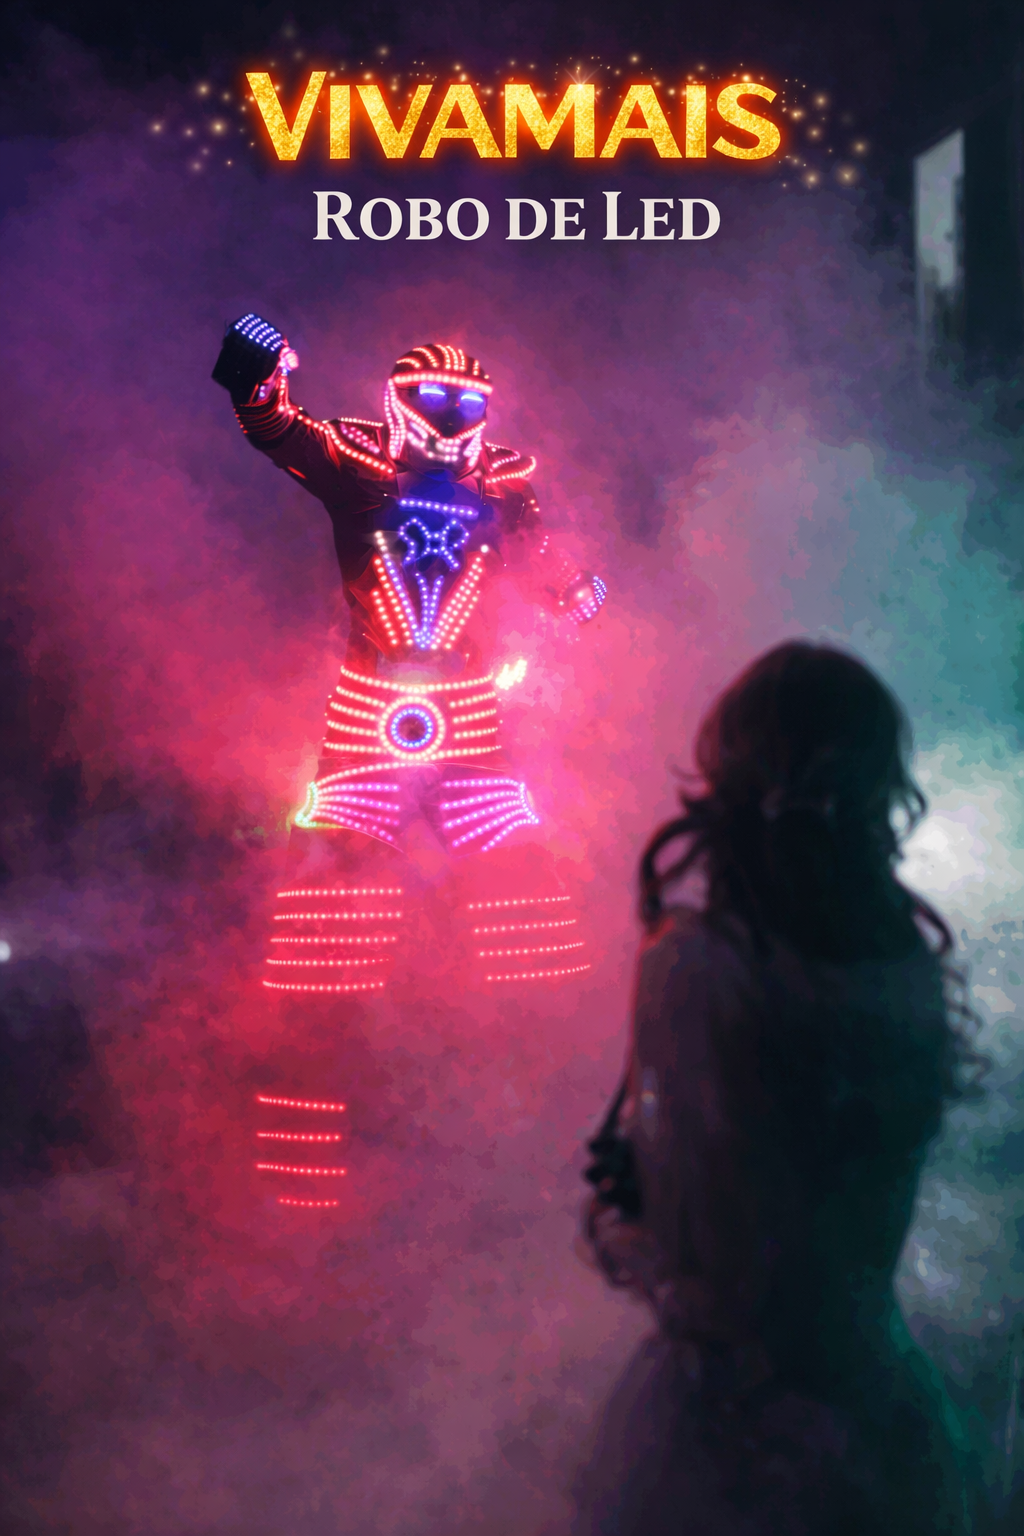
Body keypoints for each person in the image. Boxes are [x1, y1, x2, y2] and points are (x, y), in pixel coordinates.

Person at [576, 640, 981, 1535]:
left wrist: (624, 1200)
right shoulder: (906, 968)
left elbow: (697, 1259)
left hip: (727, 1435)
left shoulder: (699, 966)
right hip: (877, 1410)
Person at [212, 318, 606, 1205]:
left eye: (466, 402)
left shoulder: (502, 480)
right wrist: (254, 378)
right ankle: (298, 1181)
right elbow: (278, 431)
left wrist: (574, 589)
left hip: (466, 721)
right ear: (397, 403)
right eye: (435, 399)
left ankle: (557, 1158)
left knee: (531, 936)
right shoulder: (358, 462)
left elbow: (542, 549)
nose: (451, 415)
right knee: (323, 955)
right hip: (370, 720)